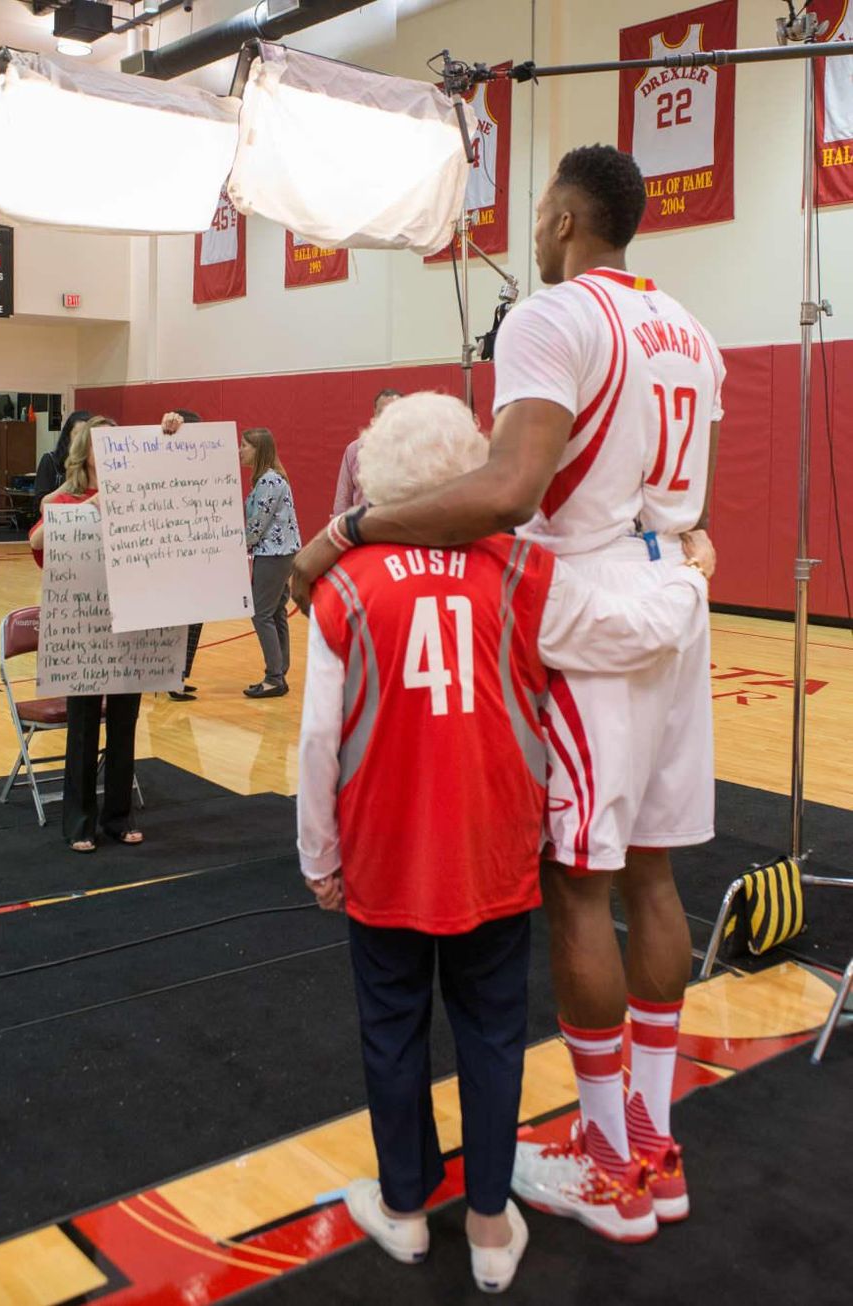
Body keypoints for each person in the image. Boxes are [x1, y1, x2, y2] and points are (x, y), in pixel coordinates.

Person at [293, 144, 724, 1243]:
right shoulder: (690, 328)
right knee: (656, 876)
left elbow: (507, 487)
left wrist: (349, 529)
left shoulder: (553, 315)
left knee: (578, 888)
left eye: (539, 215)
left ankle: (607, 1165)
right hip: (674, 597)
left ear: (567, 217)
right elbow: (676, 498)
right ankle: (653, 1149)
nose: (532, 232)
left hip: (584, 612)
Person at [29, 416, 144, 854]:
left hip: (131, 622)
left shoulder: (135, 493)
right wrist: (79, 512)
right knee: (82, 726)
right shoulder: (64, 496)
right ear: (86, 451)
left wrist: (171, 428)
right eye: (104, 444)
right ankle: (79, 820)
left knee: (123, 723)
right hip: (83, 625)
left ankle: (119, 816)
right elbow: (37, 542)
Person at [240, 427, 301, 699]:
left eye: (244, 446)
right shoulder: (269, 480)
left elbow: (257, 525)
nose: (240, 451)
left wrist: (237, 544)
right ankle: (279, 672)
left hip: (273, 554)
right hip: (280, 553)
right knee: (276, 612)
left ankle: (274, 676)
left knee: (261, 613)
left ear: (259, 449)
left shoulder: (268, 482)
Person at [161, 408, 204, 702]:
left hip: (197, 551)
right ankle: (169, 676)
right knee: (174, 617)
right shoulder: (165, 457)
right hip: (171, 551)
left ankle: (179, 675)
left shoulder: (202, 464)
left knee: (195, 617)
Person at [332, 388, 402, 515]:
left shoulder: (416, 452)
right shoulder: (354, 450)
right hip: (364, 530)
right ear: (375, 413)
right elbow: (342, 500)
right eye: (383, 412)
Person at [33, 410, 92, 514]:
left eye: (87, 436)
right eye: (77, 435)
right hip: (58, 523)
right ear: (68, 436)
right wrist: (73, 481)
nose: (82, 440)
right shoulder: (50, 460)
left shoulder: (93, 465)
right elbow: (41, 505)